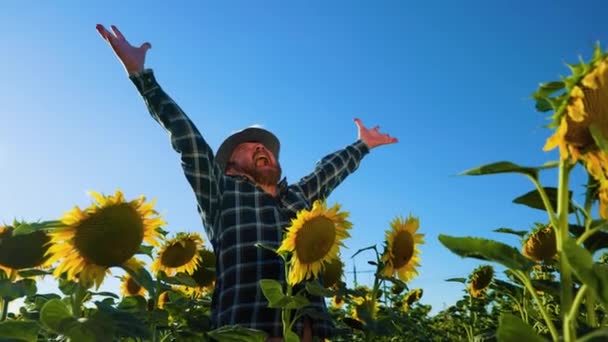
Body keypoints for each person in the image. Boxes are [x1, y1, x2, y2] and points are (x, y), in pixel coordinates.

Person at [96, 24, 398, 341]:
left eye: (265, 147)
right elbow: (190, 144)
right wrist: (143, 79)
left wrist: (362, 145)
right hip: (245, 331)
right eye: (248, 147)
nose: (260, 148)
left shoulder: (297, 197)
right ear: (229, 168)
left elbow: (328, 170)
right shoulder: (221, 195)